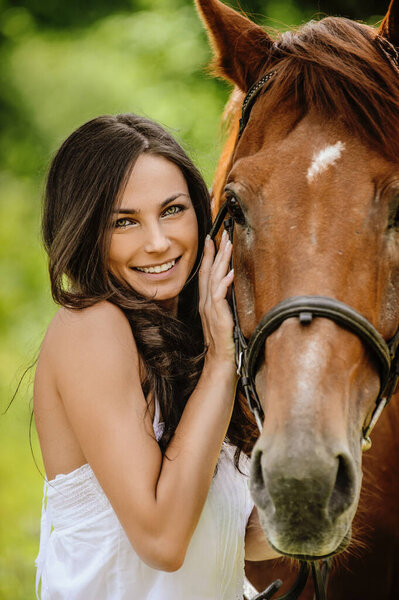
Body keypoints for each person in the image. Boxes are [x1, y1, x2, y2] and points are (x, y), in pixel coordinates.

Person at [34, 113, 278, 600]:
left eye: (172, 210)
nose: (159, 242)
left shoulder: (193, 330)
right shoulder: (92, 328)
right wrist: (219, 362)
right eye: (124, 221)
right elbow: (163, 540)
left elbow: (235, 536)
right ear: (85, 231)